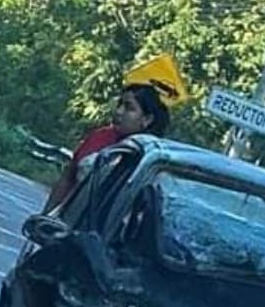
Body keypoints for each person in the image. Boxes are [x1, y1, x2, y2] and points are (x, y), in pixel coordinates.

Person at [43, 83, 170, 213]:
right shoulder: (100, 136)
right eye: (119, 104)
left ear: (147, 119)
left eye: (129, 108)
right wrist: (46, 216)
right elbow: (68, 178)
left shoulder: (151, 156)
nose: (119, 111)